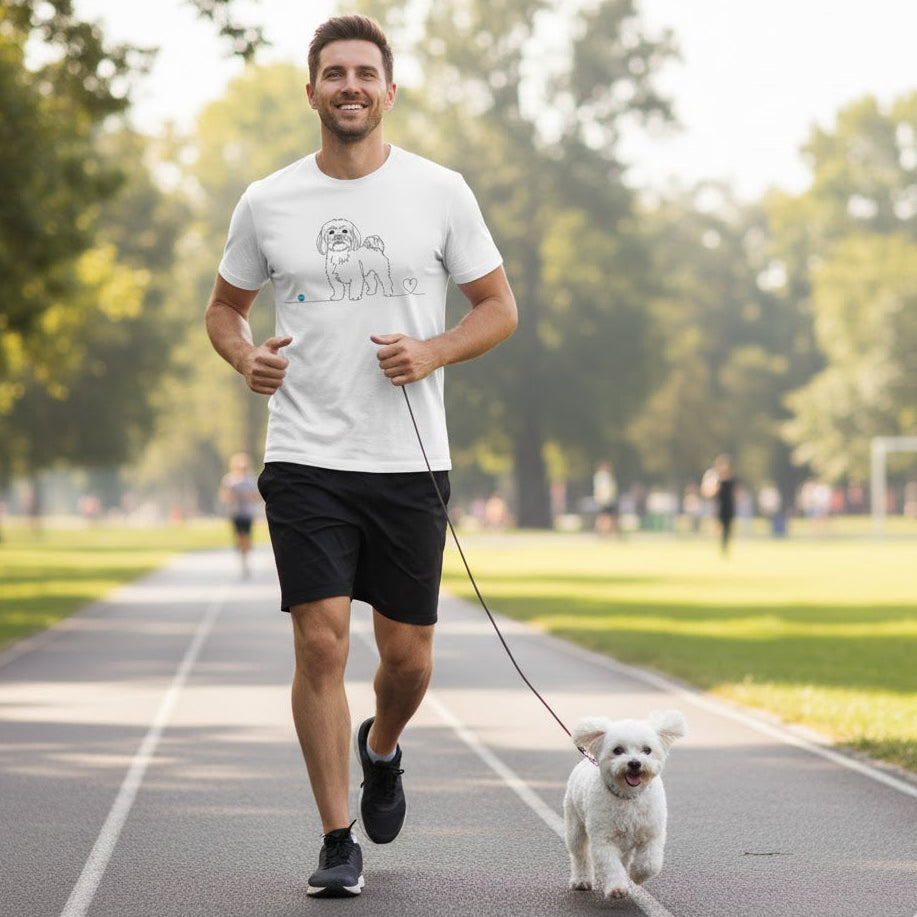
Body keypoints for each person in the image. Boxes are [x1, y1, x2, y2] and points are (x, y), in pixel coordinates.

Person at [204, 14, 518, 899]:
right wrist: (245, 357)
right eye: (333, 72)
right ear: (310, 92)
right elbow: (223, 310)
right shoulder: (268, 200)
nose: (349, 85)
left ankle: (381, 747)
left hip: (408, 459)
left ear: (389, 89)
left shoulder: (440, 191)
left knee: (409, 656)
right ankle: (337, 836)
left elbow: (498, 307)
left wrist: (435, 350)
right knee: (318, 642)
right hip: (304, 454)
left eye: (364, 73)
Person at [219, 452, 261, 577]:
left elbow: (257, 495)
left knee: (247, 537)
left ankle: (245, 558)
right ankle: (242, 555)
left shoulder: (251, 479)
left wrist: (248, 497)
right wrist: (233, 497)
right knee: (239, 537)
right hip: (235, 513)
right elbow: (224, 495)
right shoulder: (229, 480)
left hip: (248, 513)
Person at [702, 454, 736, 554]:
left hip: (729, 506)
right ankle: (722, 546)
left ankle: (725, 546)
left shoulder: (731, 478)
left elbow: (736, 492)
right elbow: (710, 492)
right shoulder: (716, 478)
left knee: (728, 528)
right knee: (720, 527)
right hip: (720, 506)